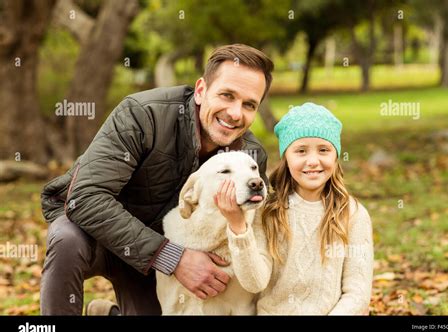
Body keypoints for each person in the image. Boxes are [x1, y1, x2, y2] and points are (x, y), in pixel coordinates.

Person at [40, 44, 274, 315]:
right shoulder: (142, 115)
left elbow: (258, 227)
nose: (235, 113)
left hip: (153, 259)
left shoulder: (250, 157)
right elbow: (85, 197)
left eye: (248, 104)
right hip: (97, 236)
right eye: (227, 95)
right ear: (201, 91)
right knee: (66, 239)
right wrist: (173, 258)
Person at [215, 102, 374, 315]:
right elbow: (254, 283)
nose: (313, 161)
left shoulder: (353, 214)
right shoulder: (267, 211)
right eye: (300, 151)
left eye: (324, 150)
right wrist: (237, 225)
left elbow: (358, 294)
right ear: (286, 158)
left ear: (336, 156)